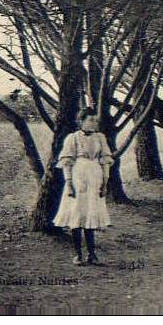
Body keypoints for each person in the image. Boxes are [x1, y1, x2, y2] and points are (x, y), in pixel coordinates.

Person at [53, 109, 113, 265]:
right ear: (82, 121)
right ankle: (78, 254)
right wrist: (69, 184)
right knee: (77, 214)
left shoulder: (100, 138)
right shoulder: (72, 138)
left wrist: (105, 183)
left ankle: (92, 254)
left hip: (95, 178)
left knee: (90, 213)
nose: (94, 123)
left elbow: (105, 160)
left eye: (96, 120)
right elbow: (67, 163)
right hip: (78, 179)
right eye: (91, 120)